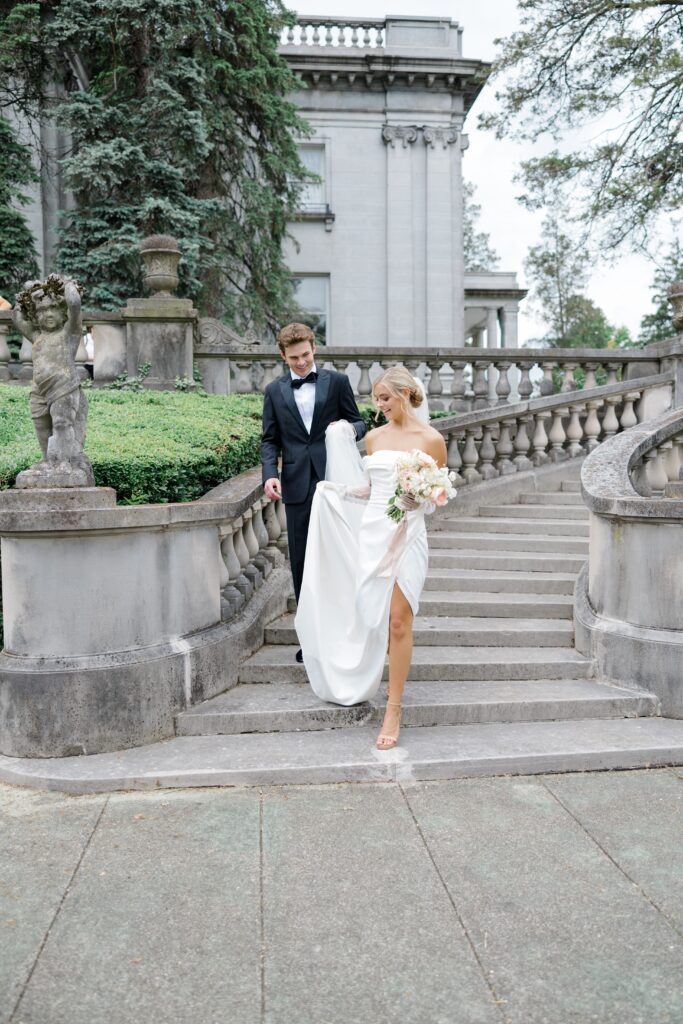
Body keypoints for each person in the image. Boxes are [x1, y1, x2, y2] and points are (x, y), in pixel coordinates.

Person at [295, 366, 448, 750]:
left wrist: (422, 500)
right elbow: (371, 488)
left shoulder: (432, 440)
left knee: (399, 621)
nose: (378, 407)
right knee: (373, 615)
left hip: (409, 534)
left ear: (405, 394)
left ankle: (393, 708)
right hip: (374, 532)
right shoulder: (375, 440)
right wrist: (338, 493)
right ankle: (374, 671)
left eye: (385, 398)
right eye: (376, 399)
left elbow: (439, 495)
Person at [261, 322, 366, 661]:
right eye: (294, 358)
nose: (302, 363)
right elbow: (269, 440)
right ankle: (311, 641)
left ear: (314, 348)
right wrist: (269, 474)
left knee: (339, 558)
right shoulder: (274, 391)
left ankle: (347, 634)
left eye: (305, 355)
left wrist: (344, 428)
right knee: (303, 564)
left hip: (336, 482)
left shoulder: (337, 382)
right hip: (296, 486)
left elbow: (360, 422)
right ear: (283, 356)